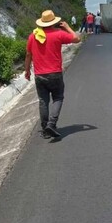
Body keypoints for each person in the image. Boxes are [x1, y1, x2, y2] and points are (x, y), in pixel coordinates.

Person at [24, 9, 81, 138]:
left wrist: (27, 70)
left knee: (43, 101)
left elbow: (28, 55)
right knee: (58, 98)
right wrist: (67, 27)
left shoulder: (33, 36)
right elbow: (77, 39)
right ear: (54, 22)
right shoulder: (59, 34)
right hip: (55, 73)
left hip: (39, 75)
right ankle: (51, 123)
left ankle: (45, 130)